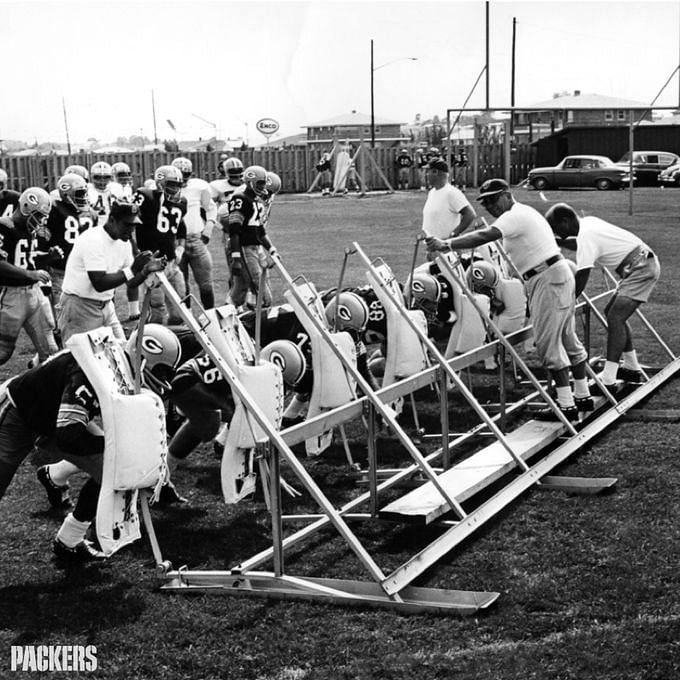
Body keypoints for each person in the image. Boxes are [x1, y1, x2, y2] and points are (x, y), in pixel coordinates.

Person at [0, 324, 182, 562]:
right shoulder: (90, 372)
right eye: (163, 371)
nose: (165, 380)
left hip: (55, 416)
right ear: (145, 357)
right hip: (19, 413)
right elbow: (69, 436)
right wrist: (118, 449)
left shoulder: (120, 361)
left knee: (111, 467)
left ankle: (69, 540)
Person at [425, 178, 592, 421]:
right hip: (552, 275)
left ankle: (566, 405)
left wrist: (446, 243)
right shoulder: (522, 213)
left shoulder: (514, 214)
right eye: (485, 202)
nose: (490, 206)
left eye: (493, 199)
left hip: (546, 278)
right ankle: (582, 394)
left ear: (506, 194)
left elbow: (486, 235)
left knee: (548, 345)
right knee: (566, 337)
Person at [545, 202, 660, 389]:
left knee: (616, 317)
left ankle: (608, 378)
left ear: (565, 221)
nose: (555, 232)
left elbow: (582, 275)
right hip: (640, 263)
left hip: (641, 268)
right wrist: (558, 242)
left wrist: (568, 300)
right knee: (613, 313)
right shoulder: (588, 223)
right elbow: (581, 244)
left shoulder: (586, 236)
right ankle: (631, 366)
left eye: (555, 228)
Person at [57, 200, 166, 344]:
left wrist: (145, 271)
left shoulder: (125, 243)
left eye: (134, 225)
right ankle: (40, 361)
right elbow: (99, 283)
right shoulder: (93, 239)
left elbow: (131, 282)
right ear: (112, 220)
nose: (131, 230)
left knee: (124, 353)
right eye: (127, 224)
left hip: (106, 306)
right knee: (79, 360)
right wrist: (133, 269)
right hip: (80, 307)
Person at [0, 187, 58, 365]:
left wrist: (48, 256)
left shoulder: (28, 229)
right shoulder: (4, 226)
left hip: (34, 293)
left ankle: (38, 390)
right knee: (3, 353)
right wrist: (30, 274)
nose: (41, 221)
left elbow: (26, 257)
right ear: (26, 208)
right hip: (11, 296)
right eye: (38, 216)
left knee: (50, 350)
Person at [133, 165, 187, 325]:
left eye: (178, 184)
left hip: (171, 260)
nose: (175, 188)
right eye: (171, 184)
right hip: (152, 262)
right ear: (160, 183)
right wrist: (135, 249)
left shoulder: (181, 202)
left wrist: (180, 247)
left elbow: (181, 226)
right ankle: (149, 337)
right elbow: (129, 217)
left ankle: (176, 336)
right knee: (156, 307)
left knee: (180, 305)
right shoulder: (146, 196)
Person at [221, 165, 277, 310]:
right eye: (260, 183)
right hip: (244, 248)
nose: (263, 186)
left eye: (264, 183)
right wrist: (236, 258)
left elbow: (260, 230)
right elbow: (234, 230)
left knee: (239, 291)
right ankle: (259, 327)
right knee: (264, 297)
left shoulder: (256, 202)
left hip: (253, 247)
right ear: (250, 182)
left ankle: (225, 318)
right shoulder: (240, 199)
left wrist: (271, 249)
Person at [172, 157, 217, 310]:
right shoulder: (165, 188)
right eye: (180, 174)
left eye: (187, 174)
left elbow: (210, 207)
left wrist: (209, 229)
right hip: (175, 240)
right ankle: (188, 317)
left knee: (205, 282)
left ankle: (210, 315)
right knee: (181, 283)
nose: (183, 178)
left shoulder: (199, 186)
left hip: (196, 238)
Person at [421, 159, 477, 259]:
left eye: (428, 171)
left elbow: (470, 214)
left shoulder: (451, 193)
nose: (426, 175)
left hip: (446, 249)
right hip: (432, 248)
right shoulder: (432, 192)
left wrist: (454, 233)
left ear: (435, 172)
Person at [87, 161, 114, 226]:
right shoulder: (88, 190)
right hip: (94, 226)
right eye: (98, 177)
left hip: (111, 226)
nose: (102, 180)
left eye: (105, 177)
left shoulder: (115, 188)